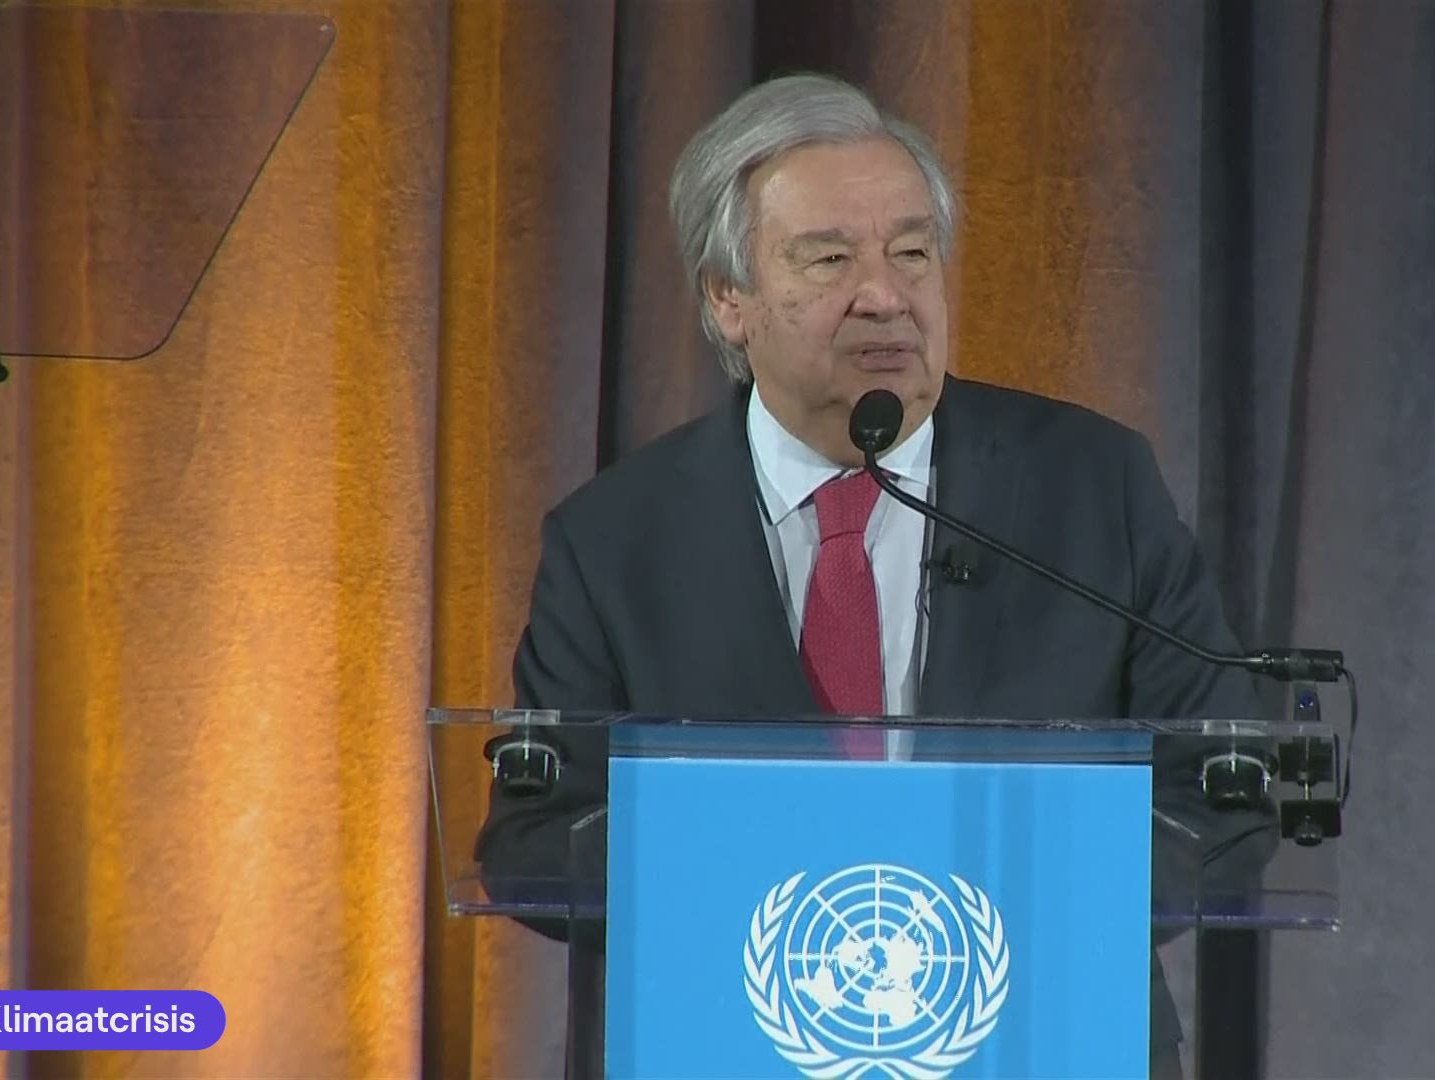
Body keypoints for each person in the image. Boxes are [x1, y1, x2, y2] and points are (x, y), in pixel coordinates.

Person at [477, 72, 1273, 1080]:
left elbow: (1225, 783)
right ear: (728, 298)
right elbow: (533, 838)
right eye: (829, 258)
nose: (886, 296)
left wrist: (1006, 912)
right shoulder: (614, 540)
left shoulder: (1092, 485)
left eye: (911, 253)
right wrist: (773, 888)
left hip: (1048, 1037)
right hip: (738, 1045)